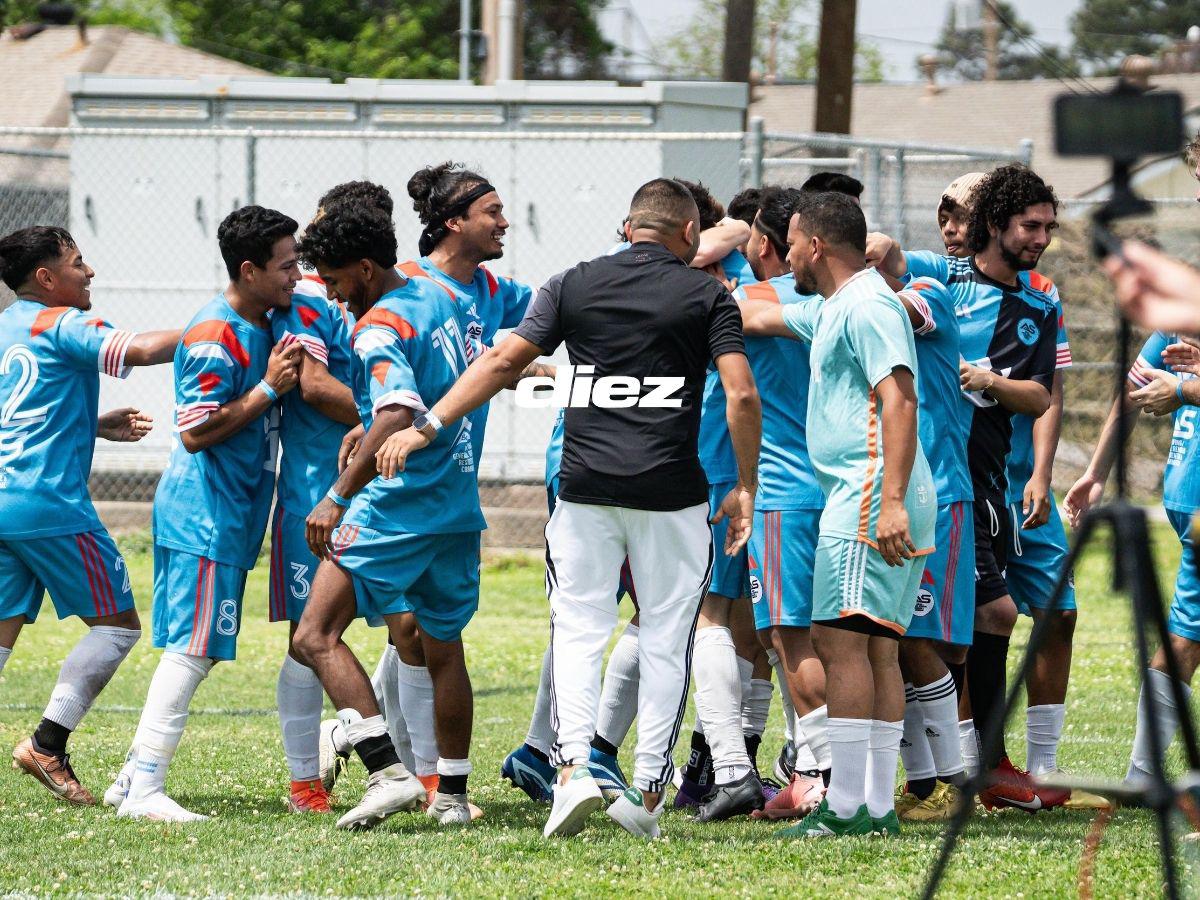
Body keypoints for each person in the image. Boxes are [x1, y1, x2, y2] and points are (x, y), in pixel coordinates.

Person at [373, 177, 760, 840]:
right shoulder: (706, 294)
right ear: (690, 235)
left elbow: (500, 363)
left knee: (579, 631)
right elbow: (741, 395)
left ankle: (574, 770)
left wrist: (427, 425)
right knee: (668, 637)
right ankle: (645, 790)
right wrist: (745, 486)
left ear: (626, 225)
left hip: (583, 489)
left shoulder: (572, 283)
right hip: (672, 494)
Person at [737, 190, 937, 839]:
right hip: (871, 493)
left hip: (871, 493)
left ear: (816, 245)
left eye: (791, 241)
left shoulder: (869, 303)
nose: (785, 254)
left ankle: (847, 805)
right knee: (874, 648)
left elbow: (899, 400)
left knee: (840, 643)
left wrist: (893, 501)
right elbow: (761, 311)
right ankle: (874, 806)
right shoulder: (838, 306)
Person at [872, 165, 1061, 811]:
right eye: (1029, 225)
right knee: (955, 624)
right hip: (922, 477)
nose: (1040, 238)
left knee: (962, 628)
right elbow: (884, 252)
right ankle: (949, 772)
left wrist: (987, 381)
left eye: (1047, 228)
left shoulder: (1038, 305)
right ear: (997, 224)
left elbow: (1040, 396)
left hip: (980, 483)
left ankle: (961, 770)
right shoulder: (941, 274)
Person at [107, 206, 304, 822]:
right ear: (248, 270)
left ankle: (128, 779)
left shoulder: (261, 322)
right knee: (194, 649)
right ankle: (144, 789)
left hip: (230, 512)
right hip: (204, 514)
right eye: (286, 265)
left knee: (199, 646)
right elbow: (194, 433)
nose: (296, 274)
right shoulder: (217, 333)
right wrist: (269, 388)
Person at [293, 202, 484, 830]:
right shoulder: (438, 296)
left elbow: (399, 410)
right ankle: (451, 796)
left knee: (313, 635)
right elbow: (422, 396)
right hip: (455, 504)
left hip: (395, 507)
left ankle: (389, 773)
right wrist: (366, 422)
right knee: (443, 647)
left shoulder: (376, 326)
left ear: (367, 268)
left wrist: (338, 496)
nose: (331, 291)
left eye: (334, 278)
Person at [0, 226, 177, 805]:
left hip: (5, 498)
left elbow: (18, 414)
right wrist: (225, 318)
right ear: (46, 278)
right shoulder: (60, 321)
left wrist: (92, 424)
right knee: (117, 626)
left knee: (1, 633)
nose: (90, 272)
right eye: (78, 262)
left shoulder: (6, 328)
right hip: (48, 502)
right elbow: (144, 350)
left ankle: (46, 748)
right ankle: (46, 744)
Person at [726, 187, 830, 822]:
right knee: (810, 635)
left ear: (762, 244)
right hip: (835, 486)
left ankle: (817, 777)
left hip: (784, 491)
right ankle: (821, 766)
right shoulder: (837, 297)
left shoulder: (755, 299)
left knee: (793, 636)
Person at [1065, 327, 1200, 789]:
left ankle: (1141, 778)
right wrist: (1095, 474)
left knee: (1185, 636)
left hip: (1188, 499)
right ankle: (1141, 777)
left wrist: (1183, 388)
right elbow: (1132, 393)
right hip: (1190, 501)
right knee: (1184, 634)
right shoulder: (1173, 323)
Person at [267, 183, 363, 815]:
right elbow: (311, 385)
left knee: (412, 632)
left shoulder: (394, 293)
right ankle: (306, 781)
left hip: (389, 488)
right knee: (312, 636)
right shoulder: (307, 300)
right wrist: (411, 418)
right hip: (316, 490)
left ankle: (428, 776)